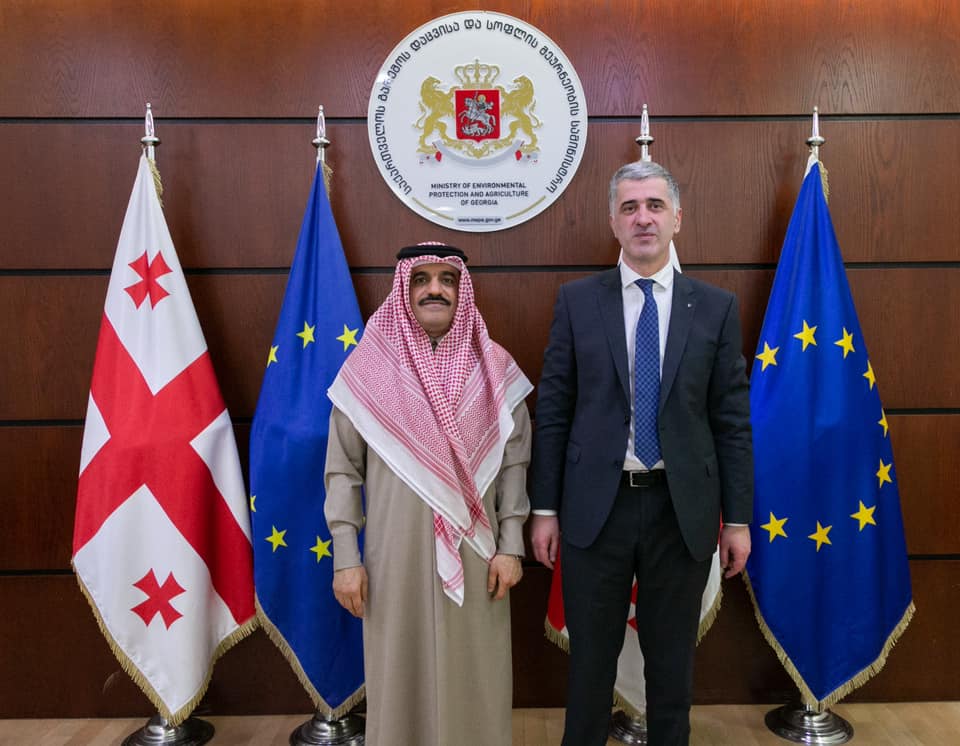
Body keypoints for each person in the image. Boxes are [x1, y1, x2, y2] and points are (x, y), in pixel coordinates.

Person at [530, 161, 754, 746]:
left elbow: (731, 421)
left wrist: (737, 520)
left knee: (672, 670)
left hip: (681, 514)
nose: (643, 218)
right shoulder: (578, 302)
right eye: (629, 208)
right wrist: (544, 509)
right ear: (613, 222)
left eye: (655, 205)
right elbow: (553, 410)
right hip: (595, 513)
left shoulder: (715, 307)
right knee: (589, 669)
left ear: (678, 218)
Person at [324, 242, 533, 746]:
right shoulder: (366, 371)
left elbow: (514, 466)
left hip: (479, 555)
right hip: (392, 559)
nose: (433, 290)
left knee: (476, 678)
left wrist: (511, 546)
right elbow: (342, 472)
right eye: (421, 279)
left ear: (463, 290)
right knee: (399, 678)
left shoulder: (495, 370)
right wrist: (346, 557)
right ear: (403, 289)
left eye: (446, 279)